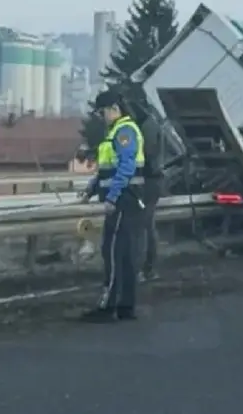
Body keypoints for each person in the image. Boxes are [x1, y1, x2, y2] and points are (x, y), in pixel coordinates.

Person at [79, 89, 146, 323]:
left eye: (103, 111)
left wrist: (111, 198)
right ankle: (125, 307)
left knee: (114, 253)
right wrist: (91, 188)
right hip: (124, 199)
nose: (102, 116)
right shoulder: (117, 131)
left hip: (123, 200)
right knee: (124, 255)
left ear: (115, 109)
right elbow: (107, 169)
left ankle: (109, 306)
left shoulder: (124, 131)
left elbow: (125, 168)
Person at [138, 113, 164, 281]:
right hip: (151, 181)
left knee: (144, 225)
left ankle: (146, 268)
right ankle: (147, 268)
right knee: (146, 225)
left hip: (149, 181)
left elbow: (147, 154)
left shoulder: (148, 126)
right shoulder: (150, 124)